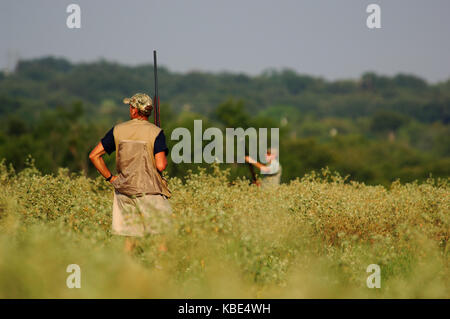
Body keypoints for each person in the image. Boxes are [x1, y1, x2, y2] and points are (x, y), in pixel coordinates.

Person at [89, 93, 172, 252]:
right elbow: (161, 165)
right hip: (150, 191)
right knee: (161, 235)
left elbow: (94, 155)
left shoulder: (117, 130)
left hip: (124, 191)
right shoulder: (156, 132)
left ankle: (127, 272)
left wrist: (111, 178)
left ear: (135, 111)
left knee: (130, 239)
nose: (130, 109)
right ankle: (161, 271)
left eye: (131, 106)